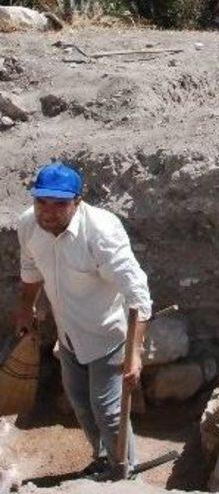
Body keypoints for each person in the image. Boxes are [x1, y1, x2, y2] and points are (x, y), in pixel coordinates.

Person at [14, 162, 152, 477]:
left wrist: (135, 352)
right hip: (69, 335)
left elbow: (138, 294)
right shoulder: (28, 225)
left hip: (107, 335)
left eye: (59, 203)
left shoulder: (100, 231)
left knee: (108, 408)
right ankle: (104, 457)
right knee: (81, 403)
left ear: (78, 201)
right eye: (41, 202)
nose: (48, 211)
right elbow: (31, 268)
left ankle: (124, 472)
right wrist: (26, 306)